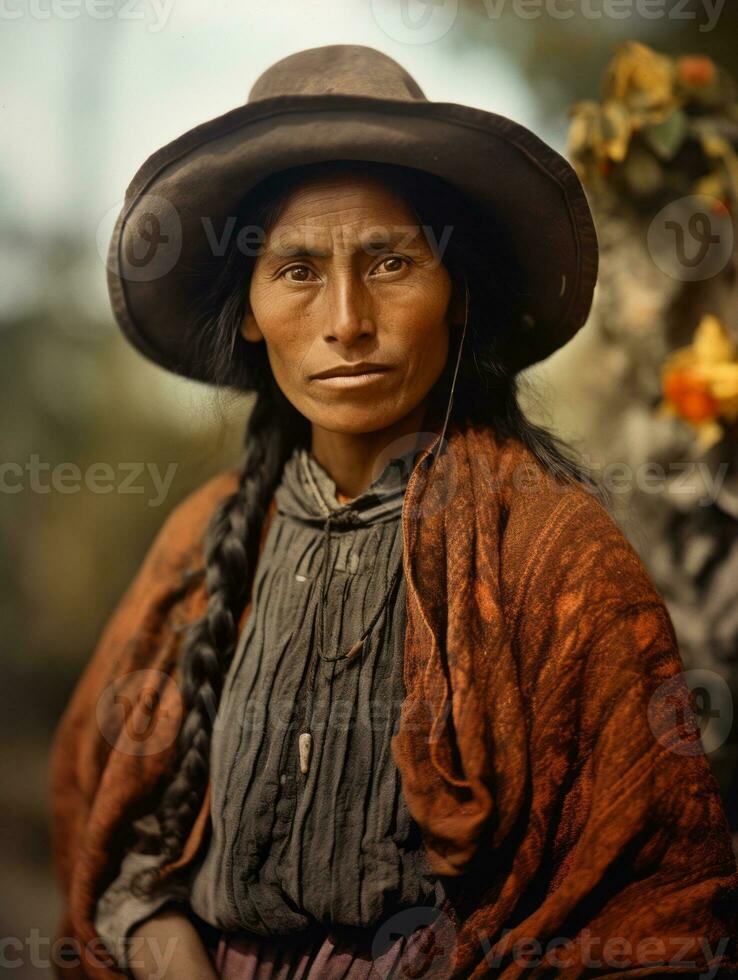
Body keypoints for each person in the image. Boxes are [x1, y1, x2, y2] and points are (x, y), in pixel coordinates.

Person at [50, 45, 738, 980]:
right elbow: (113, 844)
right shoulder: (200, 544)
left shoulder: (554, 555)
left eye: (390, 262)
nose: (346, 320)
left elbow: (655, 901)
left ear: (455, 295)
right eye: (296, 270)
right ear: (248, 309)